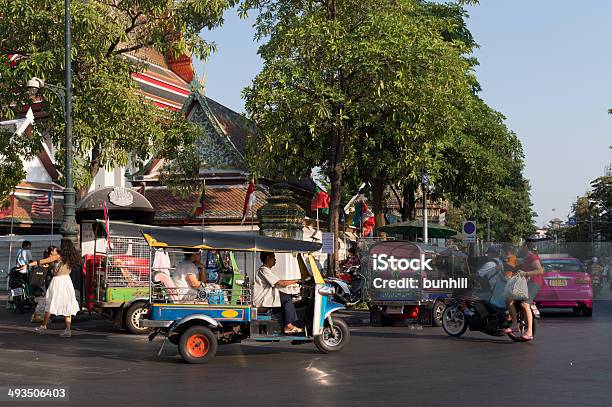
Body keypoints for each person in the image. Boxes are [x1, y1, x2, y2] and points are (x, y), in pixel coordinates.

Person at [23, 239, 80, 338]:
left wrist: (27, 264)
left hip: (57, 281)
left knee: (50, 303)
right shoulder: (72, 257)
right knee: (67, 305)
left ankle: (43, 326)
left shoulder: (58, 256)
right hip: (67, 281)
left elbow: (43, 261)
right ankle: (68, 330)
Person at [253, 252, 304, 334]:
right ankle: (288, 326)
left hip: (268, 296)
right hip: (263, 299)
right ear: (267, 258)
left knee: (289, 297)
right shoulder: (264, 270)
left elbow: (279, 285)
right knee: (286, 299)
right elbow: (280, 283)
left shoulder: (266, 270)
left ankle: (293, 322)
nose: (275, 260)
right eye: (273, 257)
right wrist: (297, 281)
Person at [506, 239, 543, 341]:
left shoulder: (532, 256)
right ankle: (514, 324)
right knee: (509, 299)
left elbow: (540, 270)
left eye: (522, 245)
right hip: (527, 283)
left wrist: (526, 274)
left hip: (535, 283)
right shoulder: (526, 257)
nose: (521, 247)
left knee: (525, 304)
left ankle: (529, 332)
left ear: (526, 246)